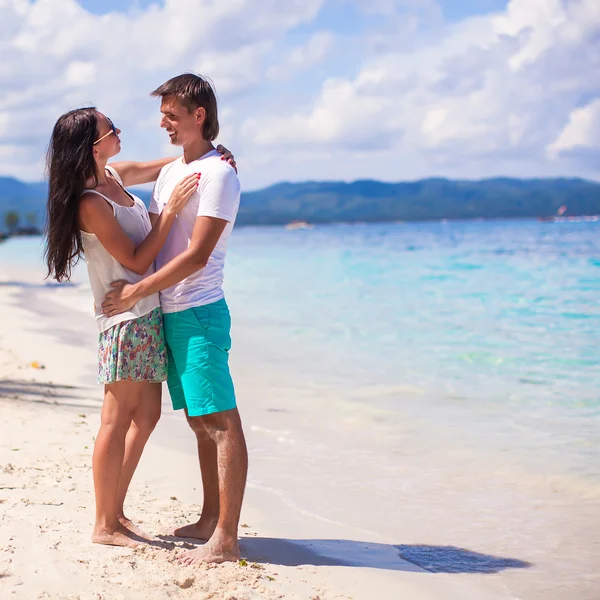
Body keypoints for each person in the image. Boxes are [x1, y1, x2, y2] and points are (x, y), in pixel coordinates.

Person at [44, 107, 236, 548]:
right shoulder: (91, 203)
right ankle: (104, 524)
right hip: (124, 319)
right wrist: (169, 215)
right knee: (115, 420)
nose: (120, 133)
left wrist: (213, 155)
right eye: (113, 130)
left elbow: (172, 165)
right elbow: (135, 260)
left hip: (147, 312)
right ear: (94, 146)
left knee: (146, 416)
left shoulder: (115, 174)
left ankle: (115, 512)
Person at [101, 73, 248, 564]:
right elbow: (119, 176)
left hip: (200, 311)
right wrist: (192, 151)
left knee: (220, 421)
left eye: (171, 115)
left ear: (197, 115)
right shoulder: (173, 173)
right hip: (170, 312)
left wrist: (135, 292)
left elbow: (198, 255)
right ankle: (210, 519)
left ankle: (226, 538)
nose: (162, 122)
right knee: (198, 422)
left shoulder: (220, 175)